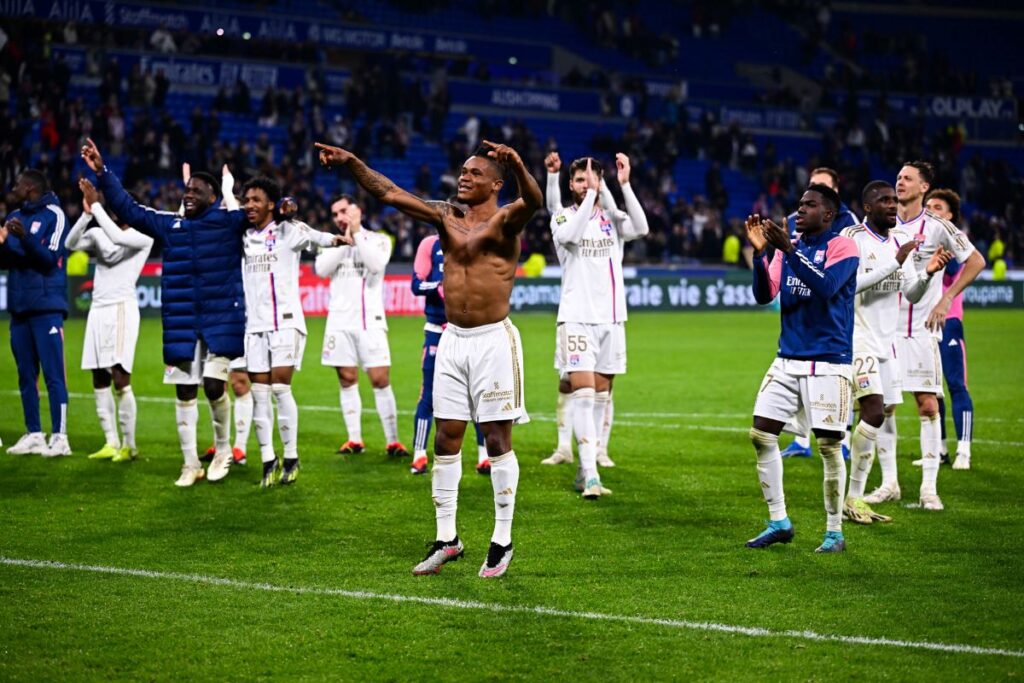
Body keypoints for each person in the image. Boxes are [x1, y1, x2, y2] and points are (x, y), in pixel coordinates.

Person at [315, 138, 542, 578]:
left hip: (494, 341)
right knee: (445, 440)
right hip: (452, 339)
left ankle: (502, 538)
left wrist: (517, 162)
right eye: (462, 171)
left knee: (496, 441)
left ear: (496, 183)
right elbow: (388, 192)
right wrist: (355, 162)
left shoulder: (507, 218)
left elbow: (533, 200)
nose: (464, 177)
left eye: (475, 173)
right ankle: (447, 539)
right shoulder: (445, 215)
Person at [81, 138, 247, 487]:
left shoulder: (228, 222)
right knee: (184, 392)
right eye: (187, 189)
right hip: (182, 325)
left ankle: (222, 451)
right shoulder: (171, 226)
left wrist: (278, 205)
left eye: (197, 191)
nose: (188, 195)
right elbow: (129, 209)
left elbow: (262, 214)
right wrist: (103, 172)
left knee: (215, 385)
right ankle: (190, 464)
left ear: (212, 197)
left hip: (220, 322)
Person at [744, 184, 859, 553]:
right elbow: (765, 294)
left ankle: (834, 532)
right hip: (787, 359)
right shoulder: (786, 248)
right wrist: (761, 255)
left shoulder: (843, 247)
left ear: (828, 214)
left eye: (809, 205)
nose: (800, 210)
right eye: (799, 205)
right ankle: (779, 520)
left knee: (828, 447)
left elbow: (826, 287)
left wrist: (789, 251)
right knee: (761, 435)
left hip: (828, 362)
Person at [866, 162, 983, 510]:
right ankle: (890, 484)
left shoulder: (938, 227)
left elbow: (975, 260)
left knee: (927, 404)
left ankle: (929, 490)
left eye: (907, 179)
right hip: (885, 330)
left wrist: (947, 298)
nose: (900, 183)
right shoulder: (882, 225)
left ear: (924, 187)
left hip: (920, 330)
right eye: (898, 178)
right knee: (884, 407)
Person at [839, 181, 951, 525]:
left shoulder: (901, 242)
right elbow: (848, 285)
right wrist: (894, 263)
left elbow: (913, 294)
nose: (892, 205)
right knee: (873, 411)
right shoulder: (852, 236)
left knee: (879, 413)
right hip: (858, 339)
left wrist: (929, 274)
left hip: (887, 345)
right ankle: (853, 496)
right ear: (868, 206)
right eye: (884, 200)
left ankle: (856, 497)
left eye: (893, 199)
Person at [547, 153, 649, 498]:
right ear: (571, 185)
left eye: (588, 179)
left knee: (602, 395)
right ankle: (590, 474)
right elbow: (571, 237)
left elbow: (642, 227)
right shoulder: (562, 216)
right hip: (576, 318)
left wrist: (623, 185)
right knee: (584, 395)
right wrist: (593, 194)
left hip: (612, 319)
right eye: (578, 180)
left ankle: (587, 463)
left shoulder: (610, 218)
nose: (583, 185)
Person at [239, 176, 341, 488]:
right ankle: (268, 459)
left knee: (280, 389)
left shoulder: (287, 231)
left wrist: (336, 240)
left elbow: (316, 236)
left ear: (271, 203)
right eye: (247, 199)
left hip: (285, 322)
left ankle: (292, 456)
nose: (250, 205)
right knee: (258, 394)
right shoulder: (241, 235)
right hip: (254, 326)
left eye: (257, 199)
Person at [315, 194, 409, 459]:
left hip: (370, 322)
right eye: (335, 214)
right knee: (347, 380)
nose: (339, 217)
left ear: (358, 210)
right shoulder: (331, 243)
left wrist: (356, 234)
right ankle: (354, 438)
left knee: (380, 379)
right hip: (339, 323)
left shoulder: (378, 239)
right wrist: (345, 240)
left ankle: (392, 440)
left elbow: (376, 264)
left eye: (343, 210)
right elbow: (322, 270)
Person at [780, 167, 859, 459]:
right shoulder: (792, 221)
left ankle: (845, 437)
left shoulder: (848, 223)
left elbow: (837, 275)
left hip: (836, 308)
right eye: (811, 186)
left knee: (837, 377)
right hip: (801, 310)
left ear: (834, 192)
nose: (812, 192)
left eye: (822, 186)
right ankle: (801, 441)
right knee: (799, 373)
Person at [73, 178, 154, 462]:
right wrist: (86, 214)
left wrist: (96, 207)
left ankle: (129, 445)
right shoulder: (100, 230)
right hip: (97, 309)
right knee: (98, 375)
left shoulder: (143, 235)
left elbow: (118, 239)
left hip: (121, 307)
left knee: (120, 377)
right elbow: (71, 244)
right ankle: (110, 441)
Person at [0, 170, 72, 457]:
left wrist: (24, 240)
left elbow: (48, 260)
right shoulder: (14, 217)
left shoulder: (55, 215)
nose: (14, 188)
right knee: (25, 375)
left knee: (54, 375)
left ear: (30, 187)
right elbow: (9, 260)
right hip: (19, 308)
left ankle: (60, 436)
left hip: (46, 307)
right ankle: (34, 433)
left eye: (18, 184)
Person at [409, 233, 488, 476]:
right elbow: (416, 284)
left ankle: (484, 457)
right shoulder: (429, 244)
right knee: (429, 395)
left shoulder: (477, 242)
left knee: (477, 396)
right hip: (436, 330)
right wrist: (439, 285)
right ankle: (419, 454)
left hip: (469, 331)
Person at [924, 189, 975, 470]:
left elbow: (955, 272)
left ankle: (964, 450)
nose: (931, 210)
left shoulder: (955, 240)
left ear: (950, 214)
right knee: (932, 390)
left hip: (950, 321)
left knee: (956, 385)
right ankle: (939, 450)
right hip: (925, 324)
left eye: (938, 207)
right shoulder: (923, 239)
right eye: (928, 206)